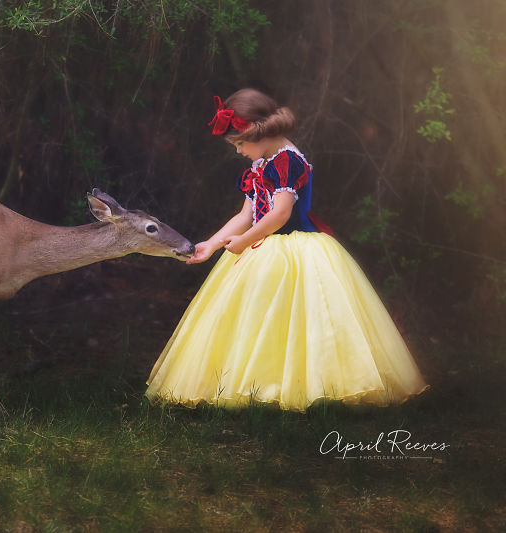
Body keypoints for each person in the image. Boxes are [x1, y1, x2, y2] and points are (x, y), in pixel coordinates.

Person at [146, 88, 428, 410]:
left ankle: (306, 387)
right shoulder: (262, 162)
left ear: (259, 133)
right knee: (259, 318)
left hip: (297, 248)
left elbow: (280, 214)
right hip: (264, 244)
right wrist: (212, 243)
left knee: (302, 317)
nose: (238, 151)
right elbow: (246, 215)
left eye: (240, 143)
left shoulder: (288, 161)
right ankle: (257, 383)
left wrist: (246, 241)